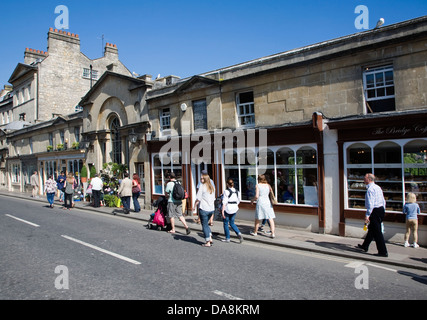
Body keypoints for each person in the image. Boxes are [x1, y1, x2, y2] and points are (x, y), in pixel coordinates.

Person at [357, 173, 388, 257]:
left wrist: (367, 215)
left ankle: (383, 252)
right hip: (380, 209)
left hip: (375, 210)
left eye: (365, 178)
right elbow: (383, 200)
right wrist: (383, 210)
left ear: (369, 179)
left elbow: (371, 204)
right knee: (372, 229)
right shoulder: (378, 187)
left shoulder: (370, 190)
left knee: (377, 232)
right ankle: (365, 245)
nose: (363, 179)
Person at [250, 174, 276, 238]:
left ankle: (255, 232)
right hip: (267, 202)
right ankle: (272, 233)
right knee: (270, 218)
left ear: (259, 179)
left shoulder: (258, 186)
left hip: (261, 202)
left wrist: (252, 200)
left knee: (258, 218)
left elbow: (256, 196)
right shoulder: (268, 185)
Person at [194, 173, 215, 247]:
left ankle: (207, 241)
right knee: (206, 223)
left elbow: (198, 198)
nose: (201, 180)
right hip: (211, 209)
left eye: (202, 178)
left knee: (204, 225)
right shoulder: (212, 187)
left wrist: (194, 205)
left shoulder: (202, 187)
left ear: (205, 179)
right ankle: (210, 237)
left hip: (204, 208)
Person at [221, 178, 243, 243]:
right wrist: (235, 205)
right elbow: (239, 200)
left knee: (225, 223)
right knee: (232, 223)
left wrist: (222, 211)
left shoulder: (226, 191)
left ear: (227, 184)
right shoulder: (237, 191)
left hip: (228, 208)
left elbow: (224, 202)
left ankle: (227, 238)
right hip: (234, 208)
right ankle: (239, 233)